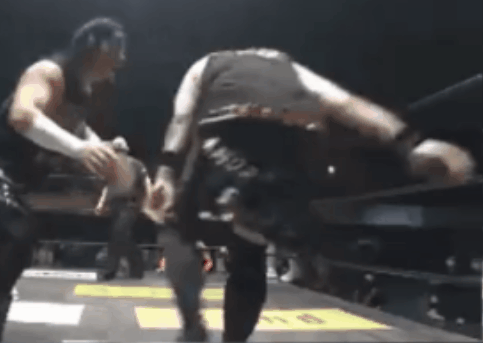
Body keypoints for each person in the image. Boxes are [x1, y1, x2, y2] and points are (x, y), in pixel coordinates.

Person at [145, 48, 477, 342]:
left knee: (177, 229)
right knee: (250, 248)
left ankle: (192, 326)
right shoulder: (288, 66)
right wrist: (409, 143)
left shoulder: (207, 64)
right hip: (293, 138)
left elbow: (182, 118)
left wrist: (165, 173)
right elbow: (345, 103)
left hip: (228, 128)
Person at [0, 17, 129, 341]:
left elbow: (75, 128)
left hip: (21, 174)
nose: (122, 58)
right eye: (117, 48)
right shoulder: (46, 72)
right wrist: (79, 149)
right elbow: (23, 116)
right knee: (15, 238)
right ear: (95, 45)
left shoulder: (83, 91)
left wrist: (99, 146)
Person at [94, 137, 151, 281]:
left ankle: (111, 270)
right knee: (122, 237)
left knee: (118, 234)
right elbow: (108, 187)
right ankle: (137, 267)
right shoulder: (112, 167)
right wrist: (101, 203)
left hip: (129, 204)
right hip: (115, 205)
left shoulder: (136, 164)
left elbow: (147, 182)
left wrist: (148, 201)